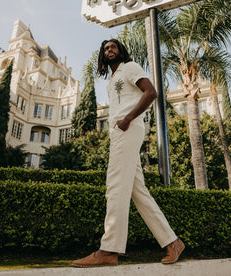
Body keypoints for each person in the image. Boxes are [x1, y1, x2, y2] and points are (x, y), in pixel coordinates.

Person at [71, 39, 185, 268]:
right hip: (120, 131)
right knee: (138, 191)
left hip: (128, 128)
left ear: (120, 51)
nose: (109, 50)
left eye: (113, 47)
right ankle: (173, 242)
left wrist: (127, 119)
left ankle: (108, 250)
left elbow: (150, 92)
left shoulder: (130, 67)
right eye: (105, 48)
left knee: (114, 187)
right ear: (102, 56)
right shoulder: (113, 78)